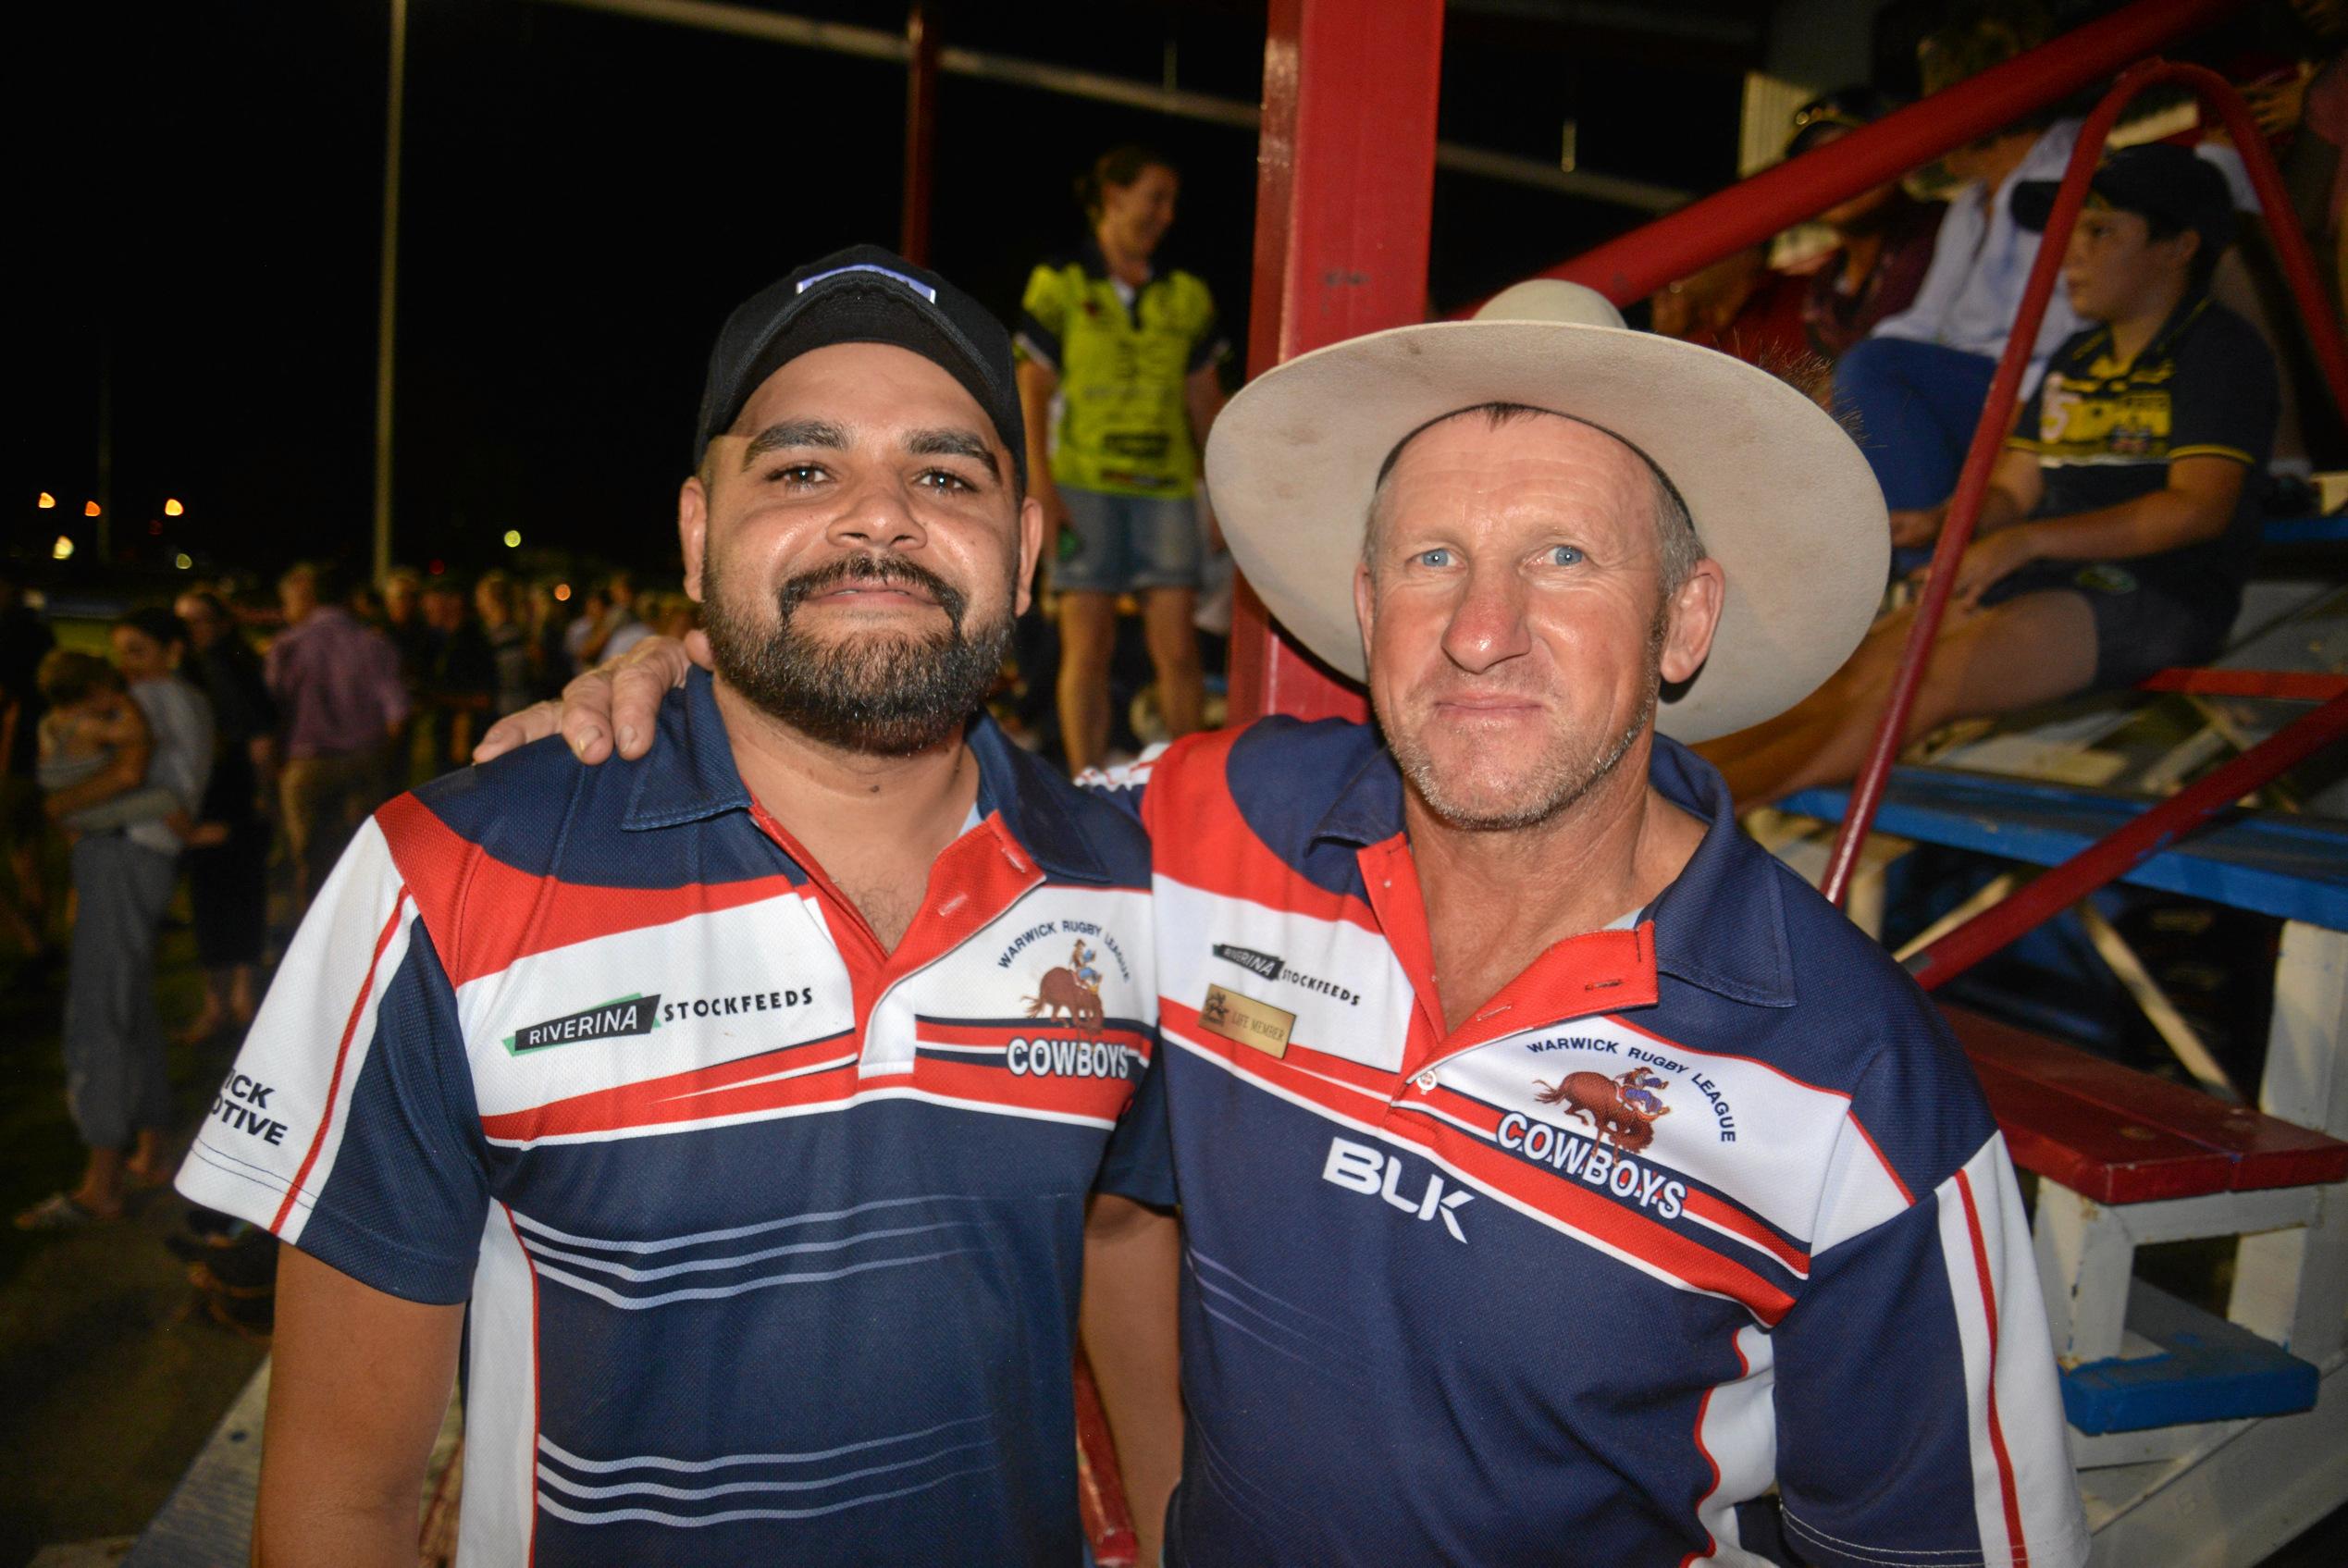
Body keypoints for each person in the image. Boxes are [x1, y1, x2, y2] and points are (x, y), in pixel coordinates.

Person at [501, 277, 2089, 1565]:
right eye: (1432, 558)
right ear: (1364, 600)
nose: (1481, 628)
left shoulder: (1859, 1089)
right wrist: (692, 675)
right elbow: (908, 792)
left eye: (1561, 557)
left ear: (1681, 620)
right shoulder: (1206, 827)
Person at [175, 246, 1180, 1567]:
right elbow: (336, 1500)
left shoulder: (1135, 885)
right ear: (701, 531)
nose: (877, 517)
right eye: (803, 469)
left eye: (944, 474)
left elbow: (1119, 1232)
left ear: (1030, 548)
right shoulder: (448, 874)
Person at [1706, 143, 2276, 809]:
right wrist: (1949, 520)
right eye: (2070, 233)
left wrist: (2026, 542)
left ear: (2179, 246)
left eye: (2100, 230)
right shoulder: (2078, 355)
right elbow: (2013, 490)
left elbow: (2196, 510)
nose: (2071, 253)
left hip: (2160, 588)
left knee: (1921, 680)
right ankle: (1669, 791)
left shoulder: (2217, 350)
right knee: (1849, 665)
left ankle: (1705, 815)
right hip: (2045, 574)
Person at [1016, 144, 1230, 774]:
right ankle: (1088, 785)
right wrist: (1040, 488)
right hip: (1082, 486)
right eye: (1154, 199)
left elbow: (1206, 403)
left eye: (1171, 203)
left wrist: (1220, 496)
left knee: (1180, 648)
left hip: (1165, 490)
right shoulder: (1059, 281)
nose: (1166, 215)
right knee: (1088, 644)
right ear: (1113, 197)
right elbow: (1031, 390)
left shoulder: (1186, 295)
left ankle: (1190, 787)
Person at [1832, 11, 2086, 526]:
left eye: (1938, 104)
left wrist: (1867, 368)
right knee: (1859, 376)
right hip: (1981, 387)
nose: (1930, 127)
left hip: (2049, 390)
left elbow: (2075, 327)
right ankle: (1915, 561)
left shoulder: (2077, 170)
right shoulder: (1969, 206)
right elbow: (1925, 322)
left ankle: (1922, 560)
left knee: (1877, 372)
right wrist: (1840, 377)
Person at [19, 611, 215, 1230]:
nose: (126, 666)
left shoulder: (148, 701)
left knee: (97, 1016)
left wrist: (60, 803)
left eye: (138, 650)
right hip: (144, 855)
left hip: (124, 853)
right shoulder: (185, 699)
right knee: (129, 1006)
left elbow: (134, 776)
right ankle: (151, 1148)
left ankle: (99, 1183)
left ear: (172, 650)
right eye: (121, 653)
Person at [266, 561, 407, 908]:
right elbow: (398, 712)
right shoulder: (372, 644)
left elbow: (272, 712)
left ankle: (311, 937)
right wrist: (379, 758)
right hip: (362, 762)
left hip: (306, 765)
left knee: (308, 859)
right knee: (361, 858)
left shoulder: (287, 646)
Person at [174, 587, 278, 1039]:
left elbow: (260, 738)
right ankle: (227, 1003)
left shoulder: (229, 668)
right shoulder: (193, 670)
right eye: (184, 623)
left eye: (200, 620)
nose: (194, 631)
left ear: (221, 622)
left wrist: (262, 792)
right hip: (209, 793)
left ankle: (237, 1001)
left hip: (230, 793)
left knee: (235, 896)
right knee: (219, 897)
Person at [1783, 87, 1946, 363]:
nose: (1833, 176)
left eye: (1850, 155)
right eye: (1815, 164)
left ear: (1895, 153)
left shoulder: (1942, 231)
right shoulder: (1824, 283)